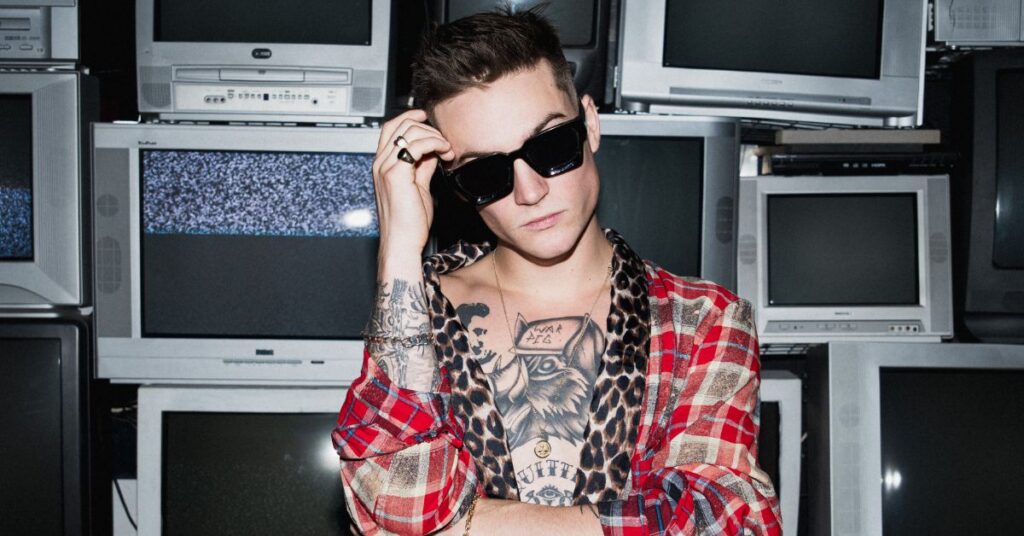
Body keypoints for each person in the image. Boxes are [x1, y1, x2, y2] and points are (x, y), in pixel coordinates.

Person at [332, 7, 781, 535]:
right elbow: (394, 506)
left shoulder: (703, 320)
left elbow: (720, 519)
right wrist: (399, 251)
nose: (530, 191)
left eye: (550, 146)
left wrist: (462, 524)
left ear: (590, 123)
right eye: (486, 173)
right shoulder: (415, 315)